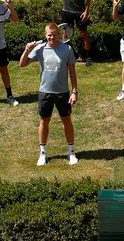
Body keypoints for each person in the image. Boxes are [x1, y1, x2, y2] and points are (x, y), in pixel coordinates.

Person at [19, 22, 79, 166]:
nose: (52, 38)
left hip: (62, 93)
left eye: (54, 35)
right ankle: (43, 154)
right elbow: (22, 64)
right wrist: (27, 50)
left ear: (59, 35)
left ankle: (71, 153)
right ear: (46, 35)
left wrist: (74, 91)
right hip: (45, 92)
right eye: (49, 35)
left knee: (67, 121)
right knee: (44, 122)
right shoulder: (39, 49)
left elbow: (72, 72)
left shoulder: (67, 49)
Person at [43, 0, 93, 65]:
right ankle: (72, 55)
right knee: (65, 35)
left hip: (80, 12)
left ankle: (88, 57)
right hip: (67, 11)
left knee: (84, 33)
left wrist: (87, 10)